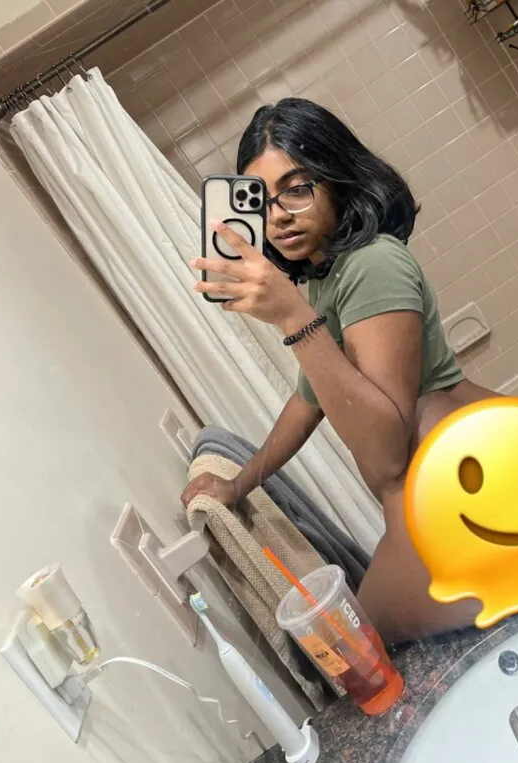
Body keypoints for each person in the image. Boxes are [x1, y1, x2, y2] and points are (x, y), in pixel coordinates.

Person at [182, 97, 498, 643]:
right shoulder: (328, 277)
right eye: (262, 201)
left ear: (339, 181)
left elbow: (387, 453)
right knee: (361, 643)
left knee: (360, 645)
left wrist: (291, 316)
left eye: (296, 189)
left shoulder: (371, 263)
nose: (278, 216)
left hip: (467, 490)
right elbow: (310, 400)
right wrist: (238, 484)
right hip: (439, 491)